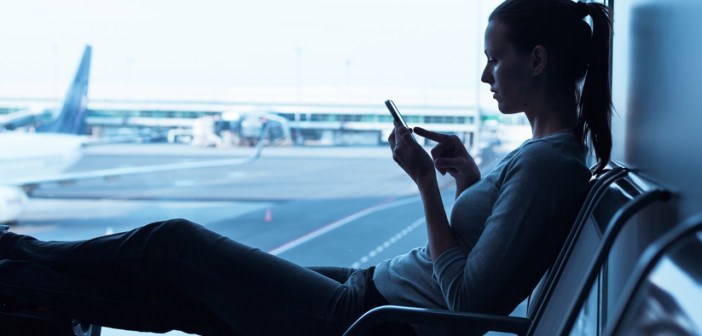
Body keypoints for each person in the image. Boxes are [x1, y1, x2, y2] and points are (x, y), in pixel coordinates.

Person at [0, 0, 612, 335]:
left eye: (493, 59)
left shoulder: (547, 167)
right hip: (371, 290)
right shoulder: (545, 159)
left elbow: (468, 299)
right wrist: (468, 181)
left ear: (536, 60)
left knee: (176, 245)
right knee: (188, 300)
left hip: (369, 318)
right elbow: (483, 259)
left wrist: (425, 185)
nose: (484, 76)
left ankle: (24, 255)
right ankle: (18, 282)